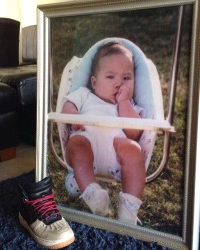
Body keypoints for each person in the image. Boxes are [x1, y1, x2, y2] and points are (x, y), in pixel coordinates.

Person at [62, 41, 146, 225]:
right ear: (94, 82)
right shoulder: (84, 94)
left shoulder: (129, 106)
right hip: (86, 139)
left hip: (116, 156)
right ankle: (93, 195)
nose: (118, 84)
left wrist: (124, 102)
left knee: (132, 149)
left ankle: (129, 208)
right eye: (110, 77)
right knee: (77, 145)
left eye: (126, 78)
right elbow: (67, 107)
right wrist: (75, 118)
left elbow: (134, 133)